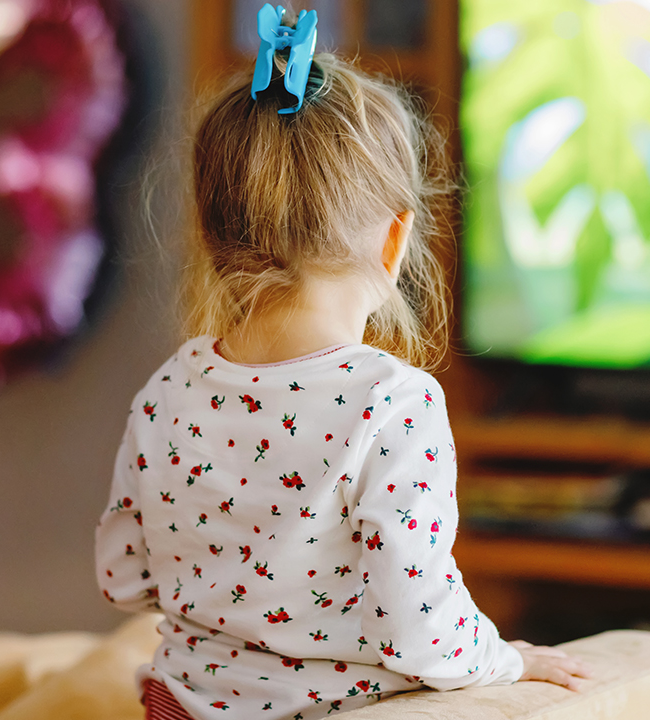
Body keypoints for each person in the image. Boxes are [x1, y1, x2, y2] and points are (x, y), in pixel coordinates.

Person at [94, 6, 590, 719]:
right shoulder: (394, 404)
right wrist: (505, 658)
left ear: (213, 236)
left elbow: (123, 578)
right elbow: (421, 630)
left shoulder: (168, 389)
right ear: (395, 242)